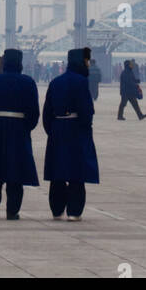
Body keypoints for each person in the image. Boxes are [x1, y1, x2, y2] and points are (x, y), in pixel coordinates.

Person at [0, 47, 40, 220]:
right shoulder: (28, 82)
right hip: (19, 129)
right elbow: (34, 112)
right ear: (20, 63)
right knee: (16, 170)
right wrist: (26, 127)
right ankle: (12, 210)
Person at [42, 49, 99, 220]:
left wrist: (52, 130)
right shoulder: (81, 82)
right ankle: (74, 211)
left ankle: (57, 209)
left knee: (57, 171)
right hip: (76, 130)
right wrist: (85, 129)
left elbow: (47, 112)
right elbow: (86, 110)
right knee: (76, 172)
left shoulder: (55, 82)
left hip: (58, 128)